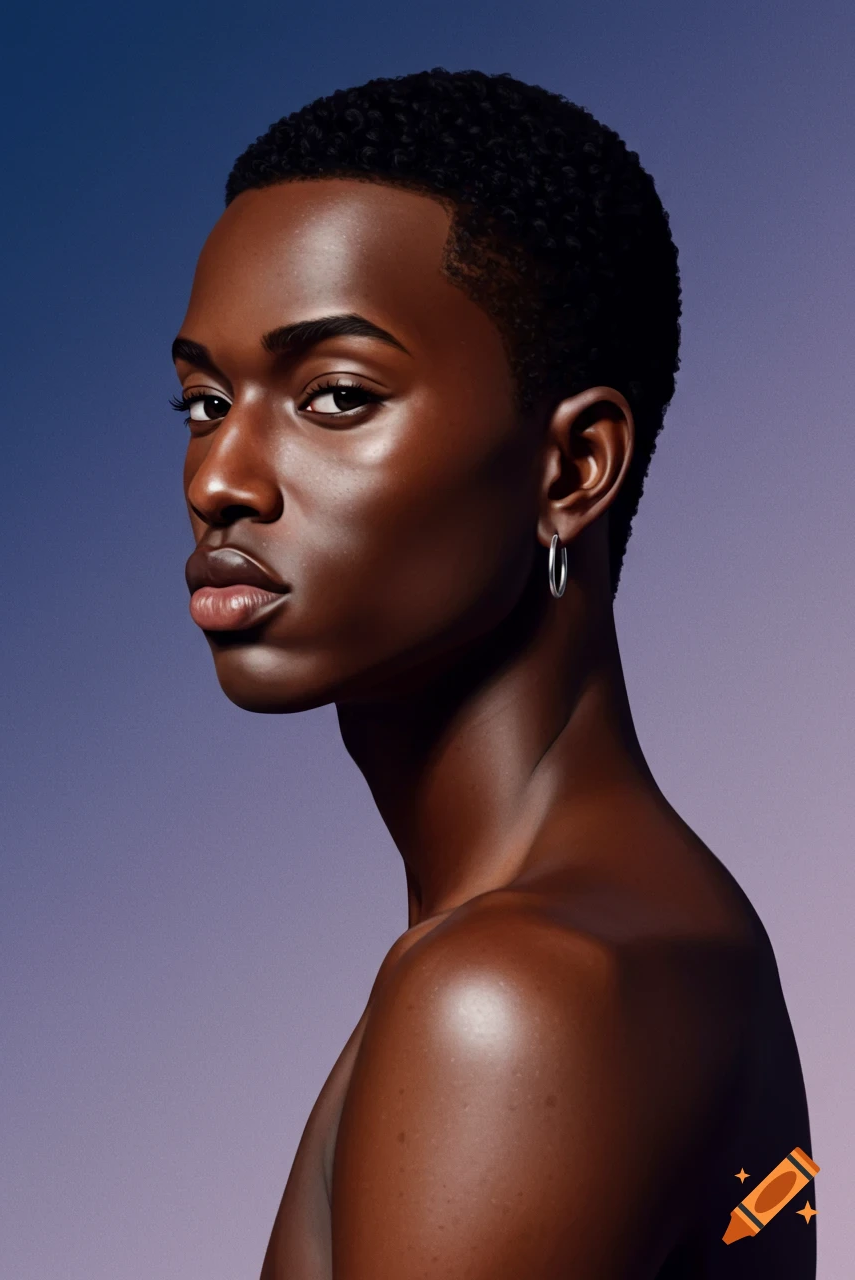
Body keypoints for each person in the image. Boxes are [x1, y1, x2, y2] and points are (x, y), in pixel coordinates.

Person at [171, 69, 815, 1278]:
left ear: (571, 467)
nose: (220, 477)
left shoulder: (513, 995)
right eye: (205, 399)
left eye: (335, 397)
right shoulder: (634, 930)